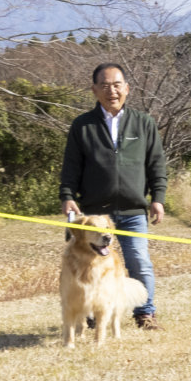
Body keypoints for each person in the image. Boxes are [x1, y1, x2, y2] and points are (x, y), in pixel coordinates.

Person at [60, 63, 167, 330]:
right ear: (94, 89)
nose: (112, 91)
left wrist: (158, 198)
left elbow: (156, 164)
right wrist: (67, 195)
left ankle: (145, 313)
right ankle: (92, 313)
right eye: (105, 85)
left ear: (127, 88)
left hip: (133, 210)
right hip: (95, 214)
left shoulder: (144, 123)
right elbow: (71, 166)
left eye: (117, 84)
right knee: (87, 266)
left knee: (139, 262)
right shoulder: (82, 126)